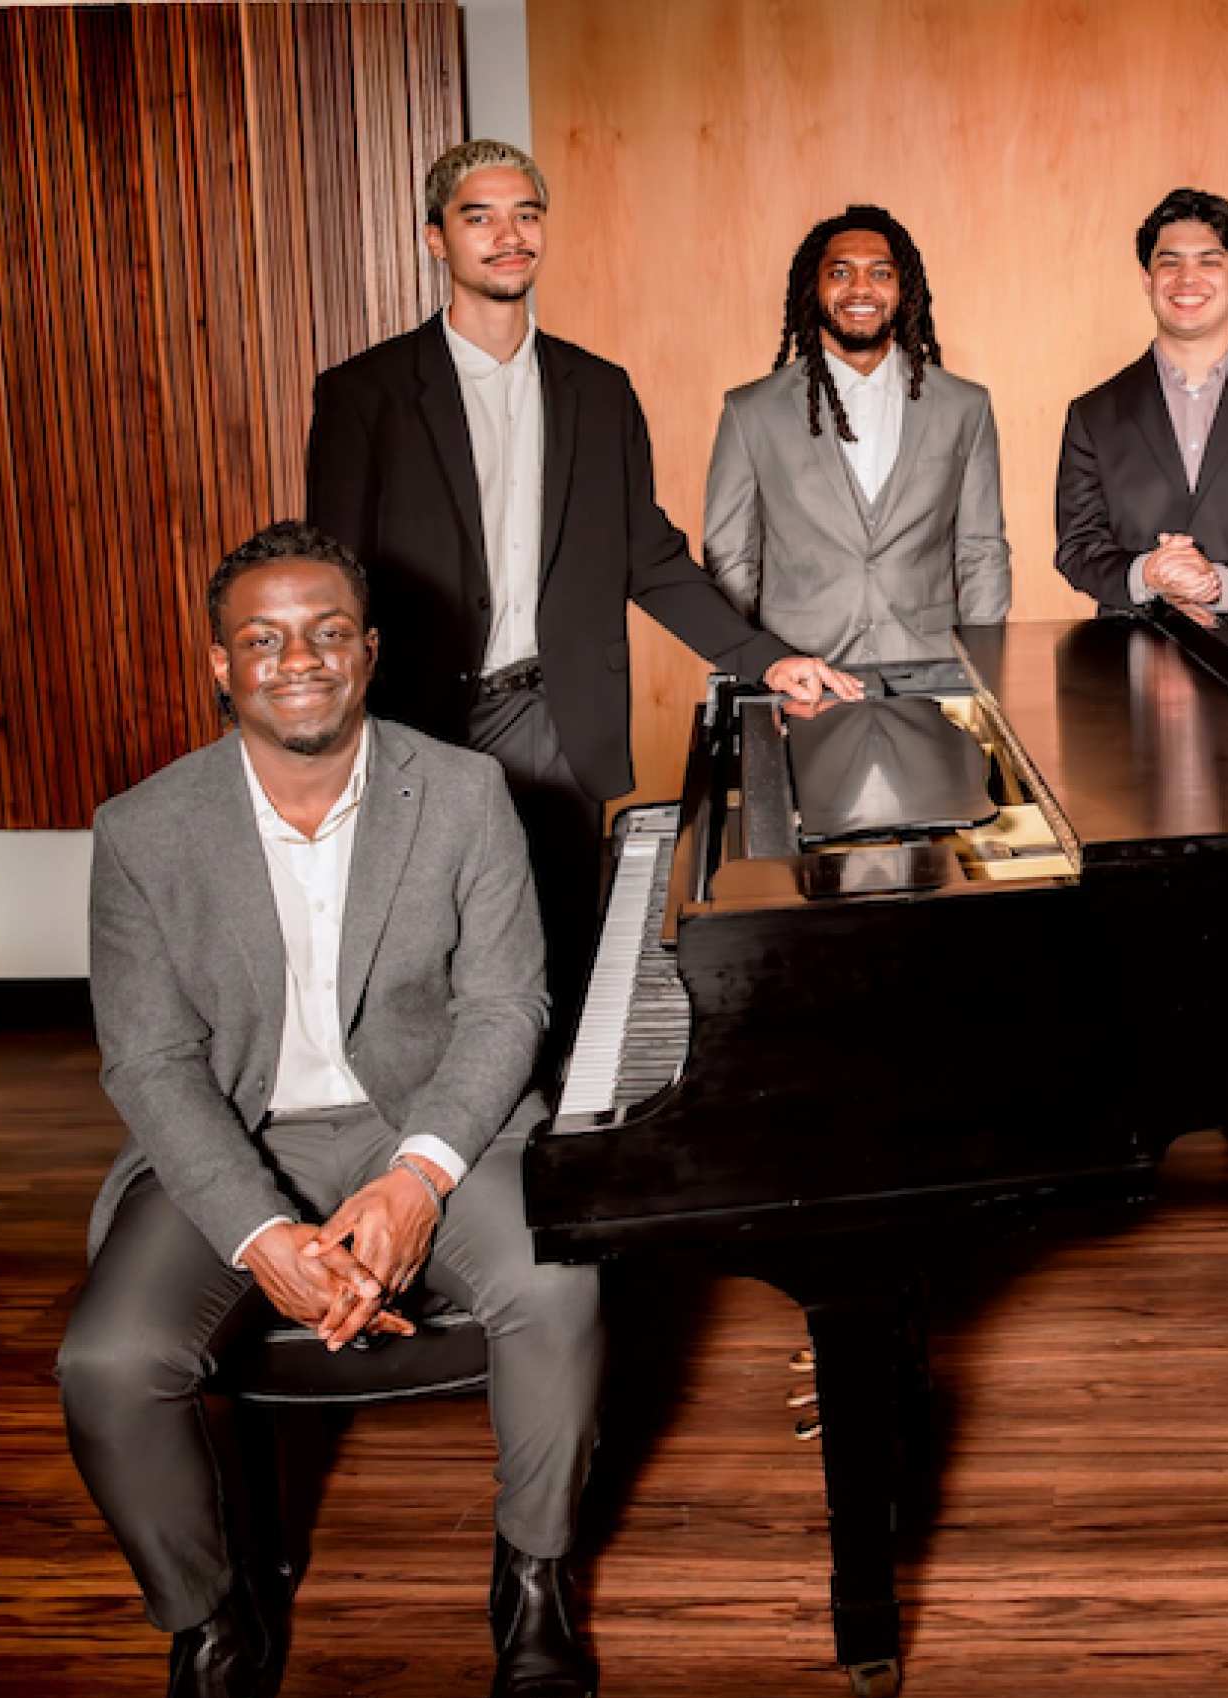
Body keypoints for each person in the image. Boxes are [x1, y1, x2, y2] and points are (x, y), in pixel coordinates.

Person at [58, 523, 605, 1698]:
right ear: (220, 665)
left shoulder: (465, 792)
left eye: (324, 631)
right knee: (107, 1362)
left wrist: (415, 1181)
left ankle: (532, 1582)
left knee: (558, 1288)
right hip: (237, 1145)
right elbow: (149, 1063)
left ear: (368, 650)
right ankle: (209, 1636)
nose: (295, 657)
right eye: (262, 636)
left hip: (432, 1126)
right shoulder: (142, 829)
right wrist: (261, 1234)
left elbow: (505, 1005)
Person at [307, 141, 859, 1057]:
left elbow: (651, 556)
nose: (508, 234)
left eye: (525, 213)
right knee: (432, 959)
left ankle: (553, 1142)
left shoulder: (599, 391)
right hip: (421, 720)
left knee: (561, 949)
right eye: (479, 216)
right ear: (436, 239)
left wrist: (766, 658)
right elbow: (336, 585)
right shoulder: (364, 395)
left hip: (560, 715)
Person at [1053, 185, 1228, 1156]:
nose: (1187, 276)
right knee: (1139, 895)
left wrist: (1220, 579)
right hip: (1123, 680)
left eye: (1207, 258)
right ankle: (1137, 1092)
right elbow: (1075, 548)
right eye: (1168, 259)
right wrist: (1144, 574)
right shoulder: (1093, 411)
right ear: (1145, 277)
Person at [703, 204, 1010, 665]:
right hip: (801, 681)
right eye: (841, 272)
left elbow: (981, 551)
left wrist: (984, 674)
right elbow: (731, 561)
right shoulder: (750, 412)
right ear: (815, 287)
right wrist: (753, 669)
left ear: (904, 290)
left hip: (931, 677)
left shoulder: (966, 407)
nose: (861, 288)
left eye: (881, 273)